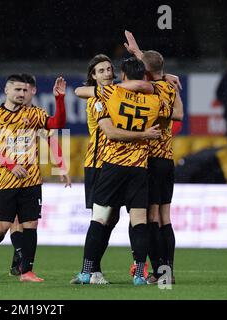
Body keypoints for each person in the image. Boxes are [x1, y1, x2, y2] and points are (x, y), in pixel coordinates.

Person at [73, 57, 172, 285]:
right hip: (139, 167)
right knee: (139, 222)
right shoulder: (154, 100)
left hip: (112, 165)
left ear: (124, 77)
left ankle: (87, 271)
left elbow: (80, 91)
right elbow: (170, 116)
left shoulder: (111, 94)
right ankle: (139, 274)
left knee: (99, 218)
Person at [0, 74, 66, 282]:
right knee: (1, 227)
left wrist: (60, 99)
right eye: (17, 90)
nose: (21, 94)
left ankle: (26, 271)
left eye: (25, 90)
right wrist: (10, 165)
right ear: (6, 91)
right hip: (6, 180)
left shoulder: (35, 113)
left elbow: (56, 124)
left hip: (32, 181)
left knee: (31, 226)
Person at [124, 30, 184, 284]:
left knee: (148, 217)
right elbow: (179, 115)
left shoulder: (147, 90)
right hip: (167, 158)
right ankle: (166, 272)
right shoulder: (169, 88)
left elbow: (138, 79)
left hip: (147, 159)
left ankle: (157, 271)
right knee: (164, 217)